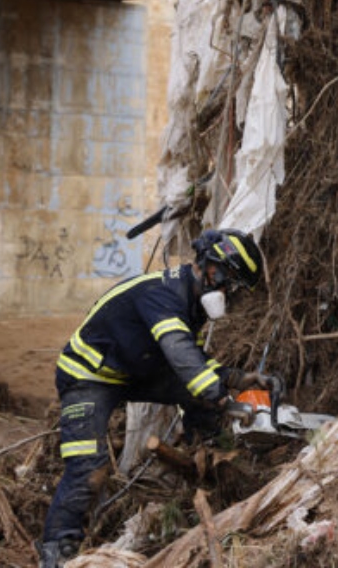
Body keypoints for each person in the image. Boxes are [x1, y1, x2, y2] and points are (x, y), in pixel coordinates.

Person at [39, 229, 283, 568]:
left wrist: (234, 378)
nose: (228, 291)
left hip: (134, 370)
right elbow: (181, 355)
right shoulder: (163, 295)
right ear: (209, 265)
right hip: (89, 376)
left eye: (235, 287)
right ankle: (56, 551)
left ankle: (209, 471)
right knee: (89, 467)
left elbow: (191, 356)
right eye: (228, 280)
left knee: (198, 393)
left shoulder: (188, 296)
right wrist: (223, 399)